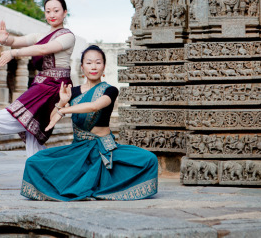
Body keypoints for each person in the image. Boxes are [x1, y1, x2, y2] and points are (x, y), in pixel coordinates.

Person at [20, 45, 158, 201]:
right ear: (82, 67)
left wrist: (64, 110)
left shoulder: (110, 90)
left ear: (104, 66)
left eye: (98, 62)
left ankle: (105, 188)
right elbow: (53, 117)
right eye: (89, 62)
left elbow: (95, 106)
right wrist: (62, 103)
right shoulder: (73, 92)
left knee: (149, 159)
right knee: (34, 162)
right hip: (79, 150)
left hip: (106, 148)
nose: (94, 67)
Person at [0, 0, 75, 157]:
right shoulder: (39, 35)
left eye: (56, 11)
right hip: (42, 83)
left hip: (55, 86)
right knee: (32, 130)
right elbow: (17, 40)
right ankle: (38, 167)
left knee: (20, 109)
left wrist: (14, 53)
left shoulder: (68, 36)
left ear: (65, 13)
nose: (52, 14)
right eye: (48, 11)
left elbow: (43, 50)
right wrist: (5, 40)